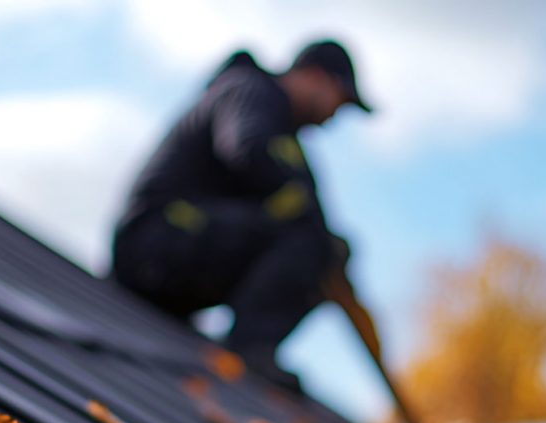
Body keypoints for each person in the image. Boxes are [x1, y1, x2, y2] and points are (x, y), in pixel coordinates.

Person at [111, 39, 376, 389]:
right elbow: (247, 148)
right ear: (315, 76)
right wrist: (303, 209)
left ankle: (248, 344)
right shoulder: (250, 90)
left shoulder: (284, 134)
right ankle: (250, 347)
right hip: (152, 246)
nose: (332, 117)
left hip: (170, 261)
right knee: (310, 240)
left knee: (324, 245)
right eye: (337, 102)